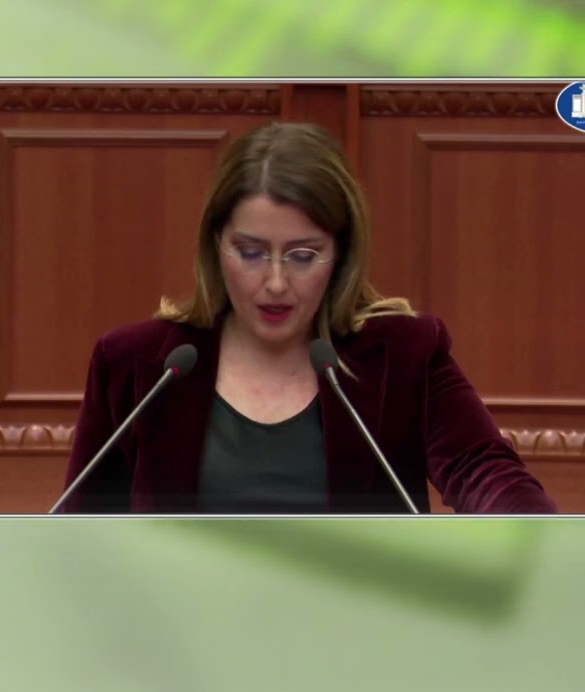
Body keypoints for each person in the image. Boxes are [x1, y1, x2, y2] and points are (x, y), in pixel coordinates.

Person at [60, 122, 556, 514]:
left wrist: (538, 540)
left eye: (302, 255)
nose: (276, 282)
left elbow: (483, 470)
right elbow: (79, 534)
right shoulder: (137, 364)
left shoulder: (405, 355)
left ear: (340, 252)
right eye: (250, 252)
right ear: (216, 245)